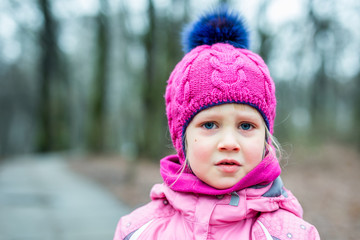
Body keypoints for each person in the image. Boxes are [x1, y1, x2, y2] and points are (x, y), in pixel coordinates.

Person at [113, 6, 320, 240]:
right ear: (183, 140)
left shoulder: (289, 234)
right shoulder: (137, 231)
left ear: (266, 138)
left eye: (245, 126)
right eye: (210, 125)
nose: (229, 143)